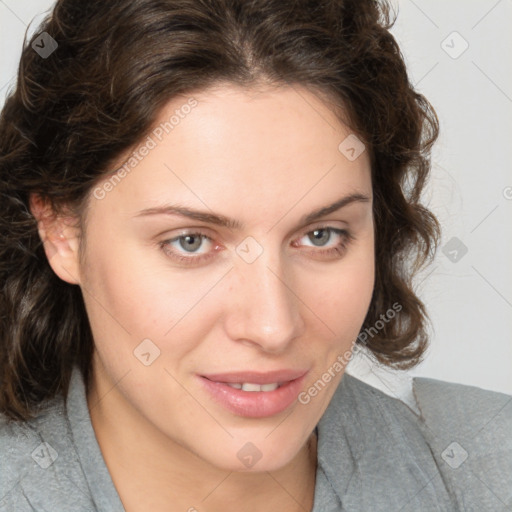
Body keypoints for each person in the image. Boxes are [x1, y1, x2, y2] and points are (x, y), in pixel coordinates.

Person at [0, 0, 510, 511]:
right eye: (190, 241)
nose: (273, 327)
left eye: (321, 235)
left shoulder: (489, 467)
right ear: (62, 230)